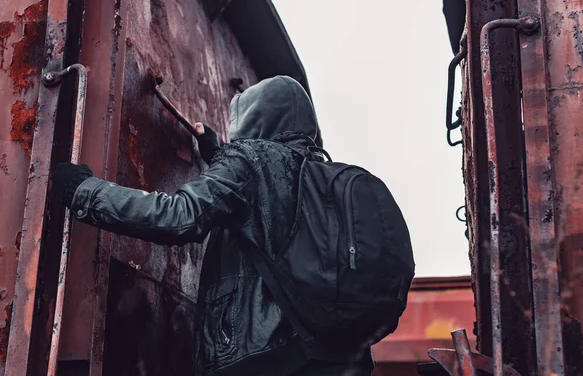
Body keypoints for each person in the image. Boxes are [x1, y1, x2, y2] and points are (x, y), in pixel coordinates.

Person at [51, 76, 374, 376]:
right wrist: (219, 156)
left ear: (254, 118)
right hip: (339, 359)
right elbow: (271, 218)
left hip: (263, 357)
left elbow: (179, 216)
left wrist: (85, 191)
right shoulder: (327, 180)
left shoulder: (253, 159)